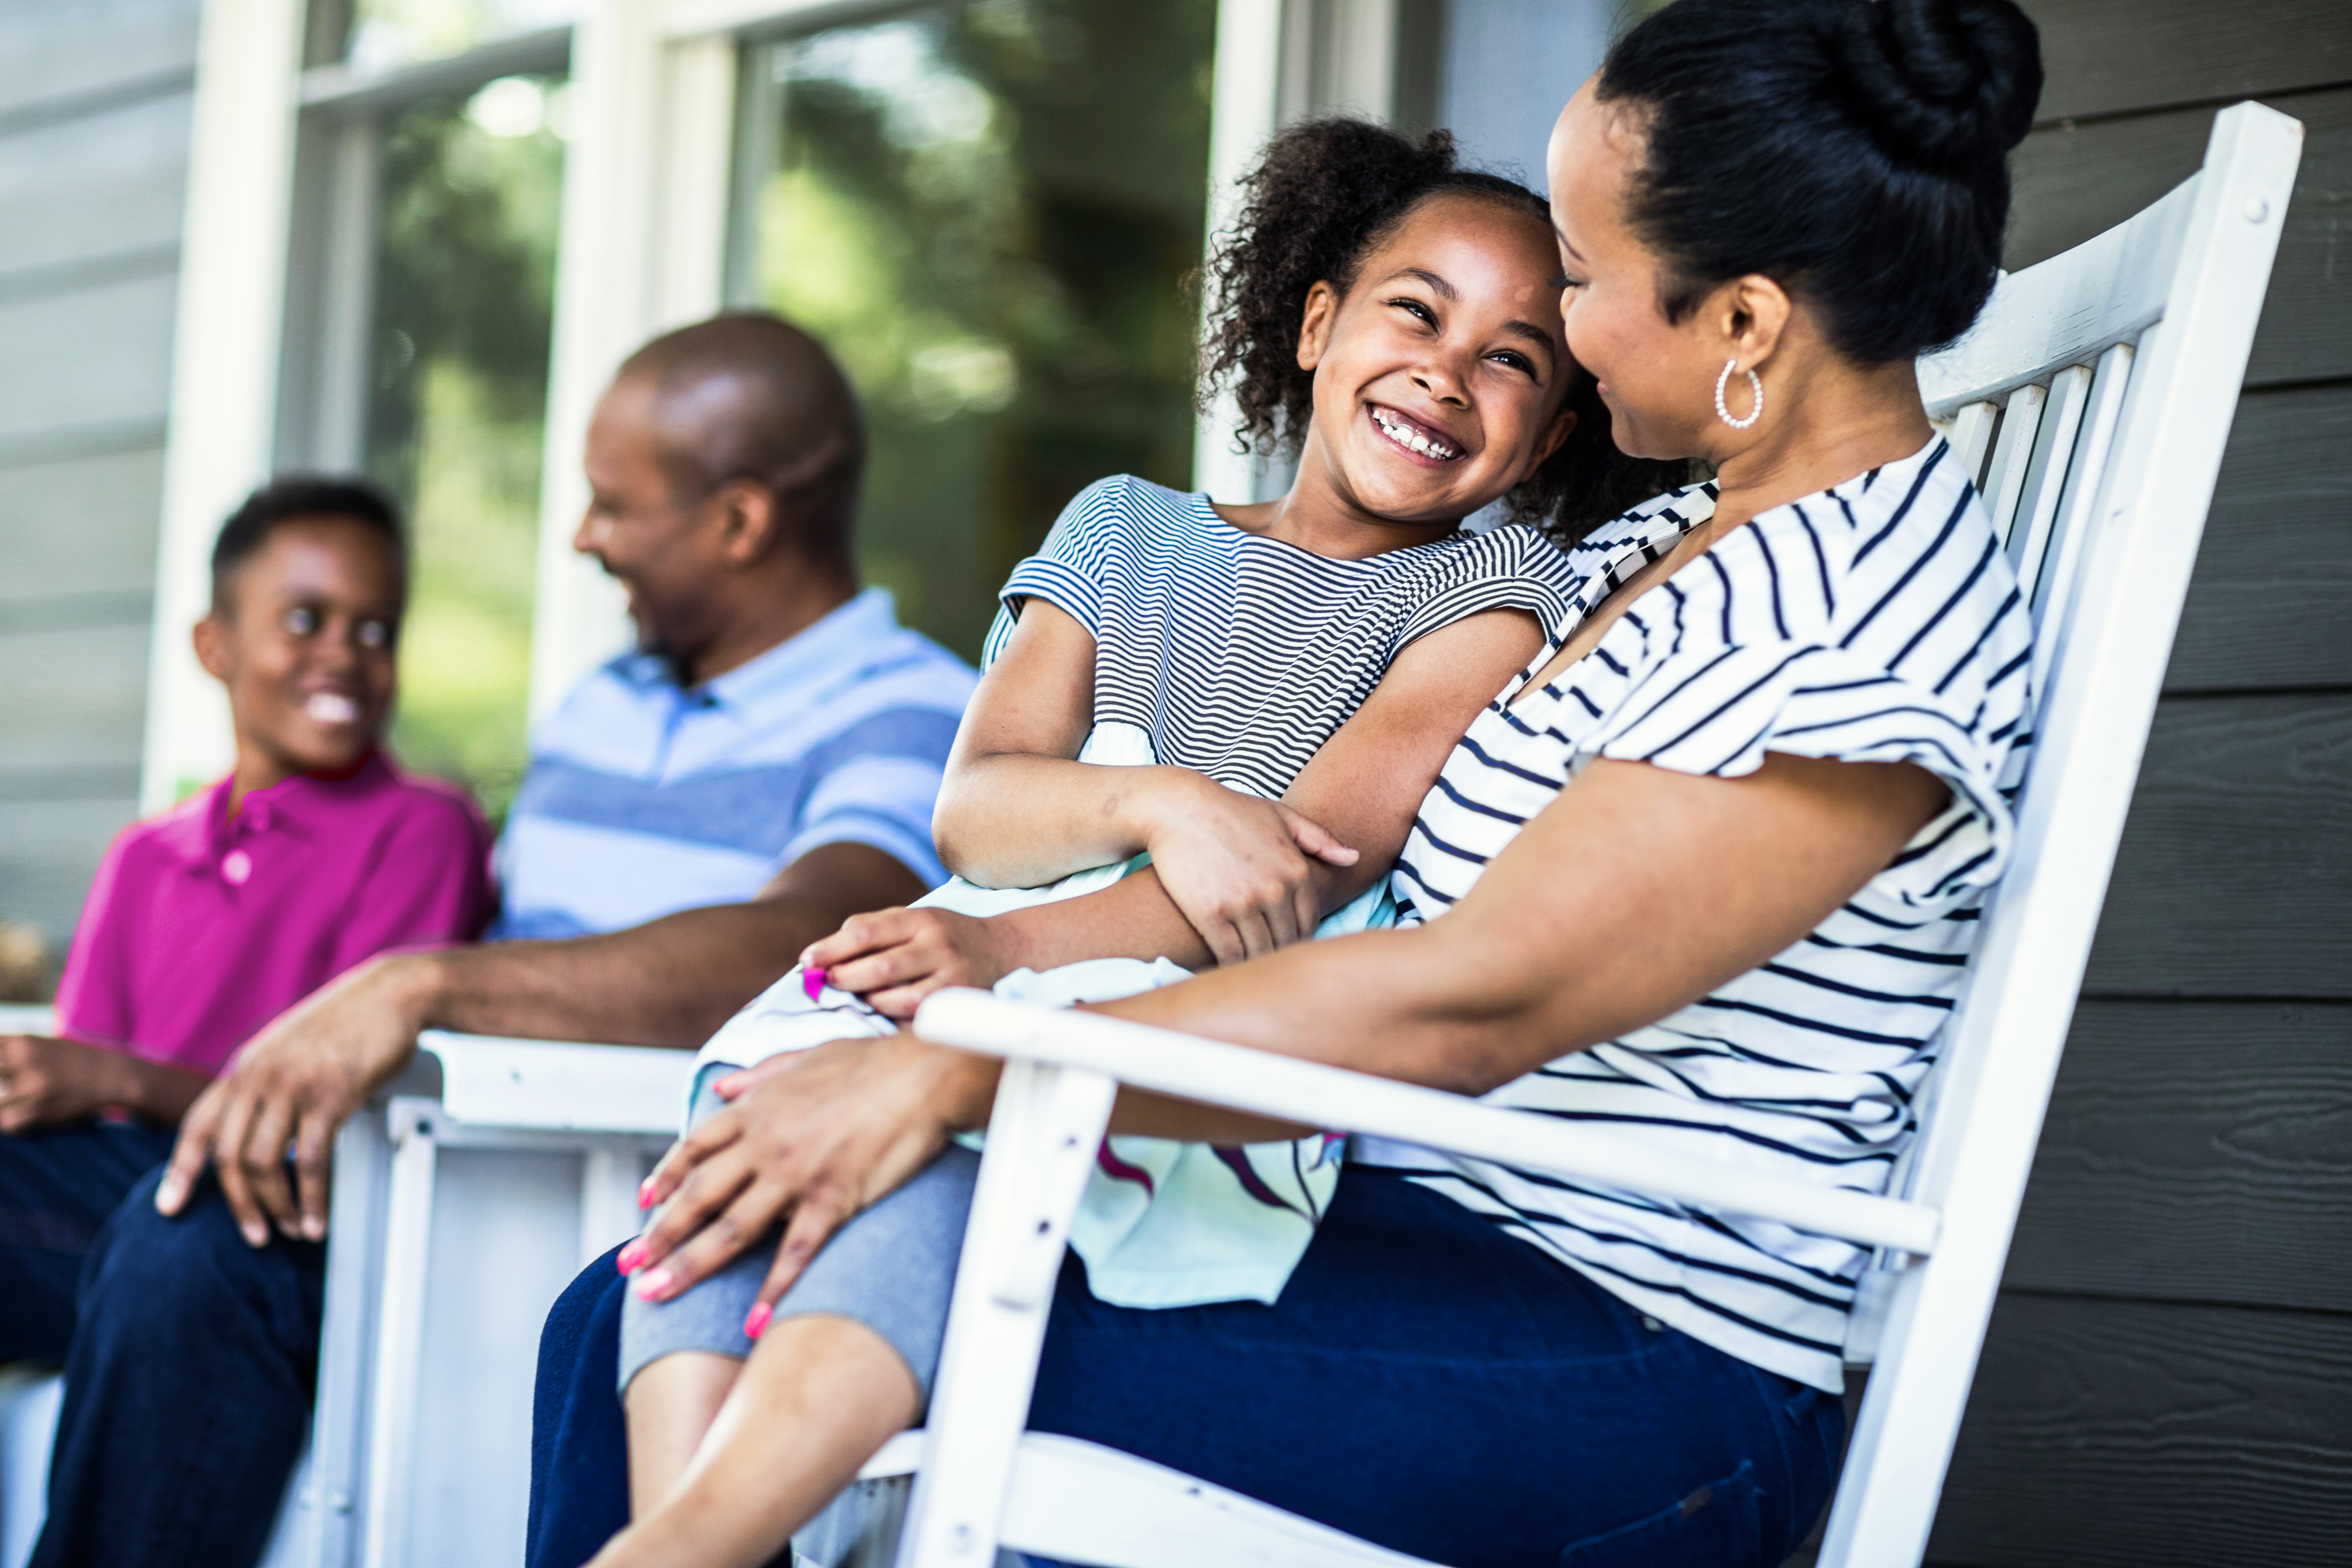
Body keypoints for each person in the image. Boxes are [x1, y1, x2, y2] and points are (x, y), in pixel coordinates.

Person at [537, 0, 2047, 1564]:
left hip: (1629, 1346)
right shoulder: (1659, 541)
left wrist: (967, 1066)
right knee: (651, 1283)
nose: (1574, 340)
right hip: (1390, 1213)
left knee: (838, 1284)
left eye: (1579, 285)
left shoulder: (1850, 625)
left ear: (1741, 324)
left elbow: (1474, 998)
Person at [594, 119, 1696, 1568]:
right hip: (986, 948)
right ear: (1315, 324)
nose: (1447, 368)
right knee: (763, 1106)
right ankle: (689, 1527)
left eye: (1513, 357)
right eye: (1415, 312)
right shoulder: (1121, 529)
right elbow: (980, 799)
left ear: (1552, 434)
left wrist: (1006, 945)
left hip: (1178, 1018)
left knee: (926, 1144)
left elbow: (1307, 865)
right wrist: (1159, 801)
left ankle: (684, 1547)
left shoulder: (1495, 584)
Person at [30, 315, 976, 1568]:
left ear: (740, 523)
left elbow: (815, 939)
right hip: (394, 1164)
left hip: (544, 1214)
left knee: (187, 1262)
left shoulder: (910, 706)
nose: (583, 539)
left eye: (612, 506)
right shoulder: (602, 704)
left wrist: (421, 985)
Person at [0, 477, 492, 1461]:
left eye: (375, 630)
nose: (345, 656)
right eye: (306, 619)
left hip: (275, 1224)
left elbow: (338, 1119)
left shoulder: (421, 830)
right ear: (214, 647)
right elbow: (85, 1102)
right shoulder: (148, 855)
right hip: (117, 1204)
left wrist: (120, 1076)